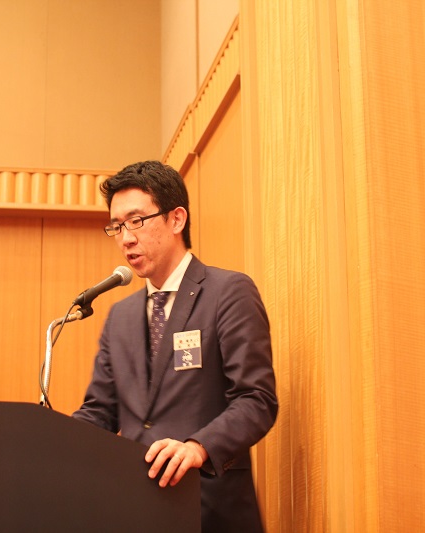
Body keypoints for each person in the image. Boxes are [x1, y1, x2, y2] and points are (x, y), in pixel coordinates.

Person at [72, 160, 278, 532]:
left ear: (177, 219)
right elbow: (100, 412)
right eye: (116, 226)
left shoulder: (228, 293)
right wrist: (49, 439)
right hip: (137, 512)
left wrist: (198, 447)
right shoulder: (120, 316)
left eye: (136, 221)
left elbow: (256, 399)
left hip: (211, 510)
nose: (125, 238)